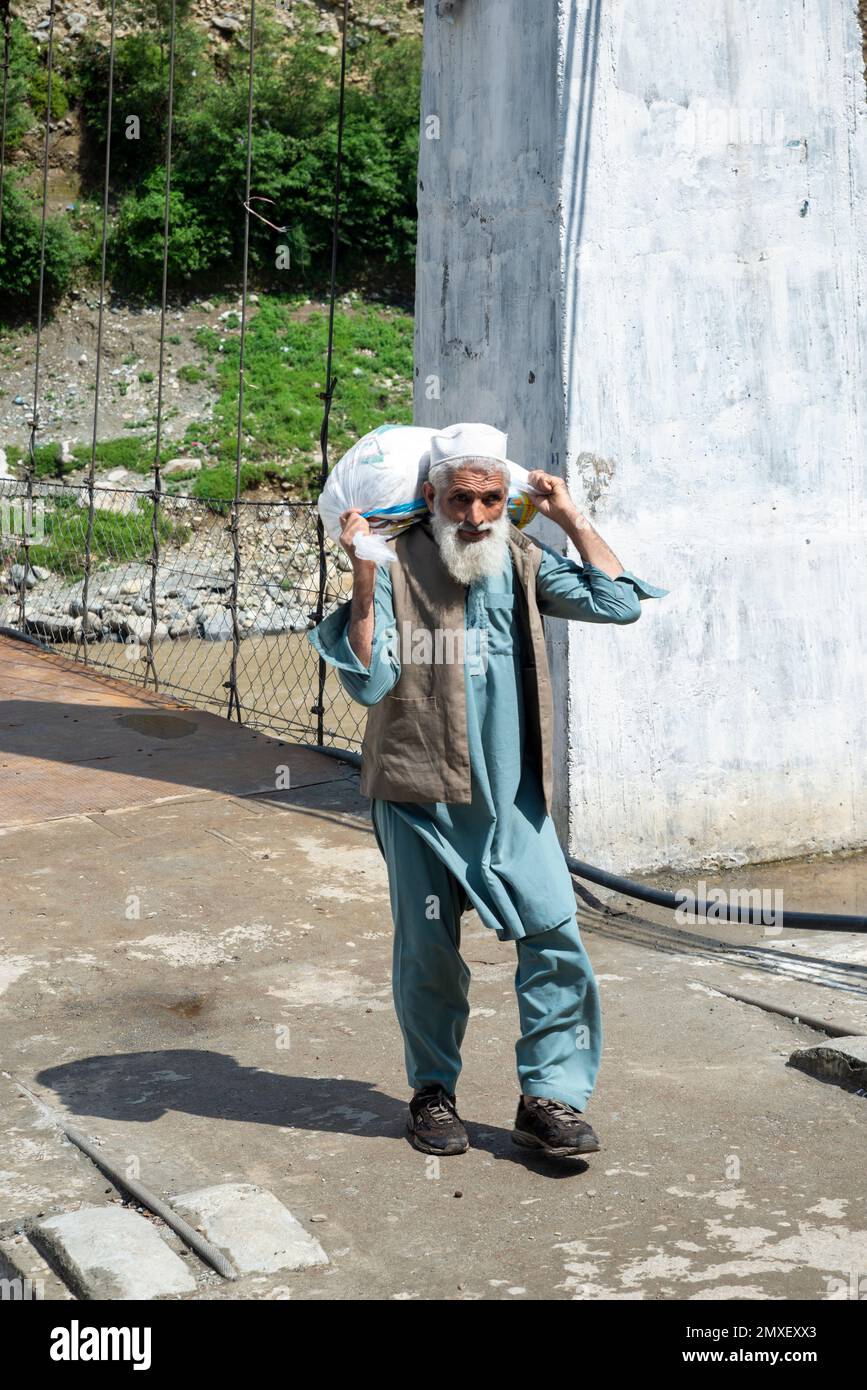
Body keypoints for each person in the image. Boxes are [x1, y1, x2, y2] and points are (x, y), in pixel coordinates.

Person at [308, 422, 669, 1159]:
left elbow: (617, 603)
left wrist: (570, 516)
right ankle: (431, 1092)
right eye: (458, 500)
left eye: (489, 500)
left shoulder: (522, 556)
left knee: (555, 939)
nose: (473, 517)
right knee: (429, 954)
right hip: (417, 792)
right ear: (430, 497)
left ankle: (550, 1099)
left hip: (511, 801)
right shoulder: (397, 560)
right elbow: (369, 680)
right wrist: (364, 577)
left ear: (508, 501)